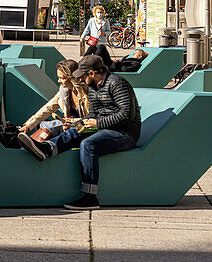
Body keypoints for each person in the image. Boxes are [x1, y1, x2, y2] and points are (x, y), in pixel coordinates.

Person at [18, 54, 142, 210]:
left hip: (125, 133)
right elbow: (93, 112)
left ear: (91, 73)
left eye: (82, 76)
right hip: (105, 128)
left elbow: (126, 114)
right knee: (73, 133)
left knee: (88, 144)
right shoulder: (92, 87)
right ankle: (47, 149)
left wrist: (98, 123)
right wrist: (78, 123)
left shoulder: (117, 83)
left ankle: (90, 197)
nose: (80, 80)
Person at [18, 59, 91, 141]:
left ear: (72, 78)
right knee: (44, 124)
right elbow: (48, 108)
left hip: (84, 128)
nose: (58, 81)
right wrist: (28, 125)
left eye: (62, 78)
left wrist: (72, 121)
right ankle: (32, 145)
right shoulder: (64, 92)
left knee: (52, 125)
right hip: (69, 126)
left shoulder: (87, 94)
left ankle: (36, 146)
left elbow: (92, 118)